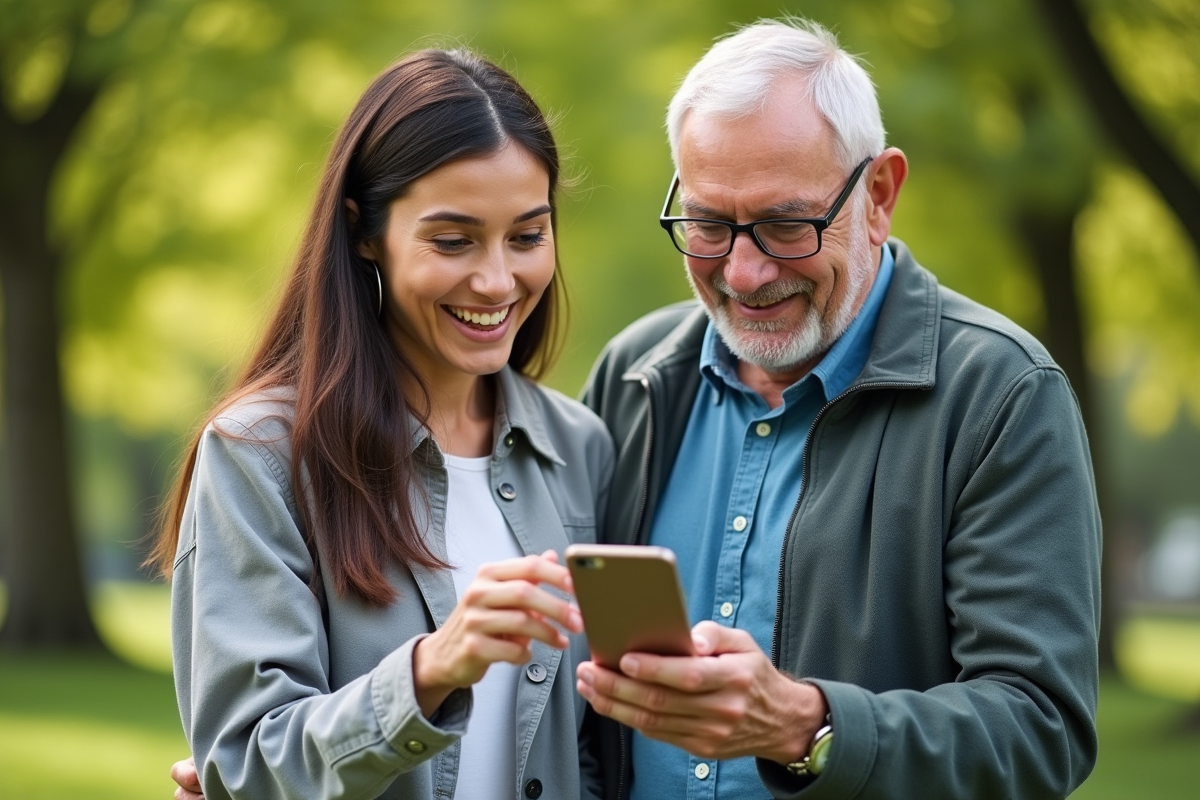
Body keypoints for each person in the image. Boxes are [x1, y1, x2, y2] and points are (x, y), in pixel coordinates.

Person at [574, 17, 1100, 800]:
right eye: (710, 226)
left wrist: (804, 727)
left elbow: (1038, 729)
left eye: (787, 226)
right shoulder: (634, 374)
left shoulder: (1002, 394)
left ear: (879, 194)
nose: (745, 274)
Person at [153, 48, 612, 800]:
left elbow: (593, 751)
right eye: (453, 240)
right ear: (364, 231)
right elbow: (246, 760)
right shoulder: (259, 454)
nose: (497, 280)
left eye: (527, 236)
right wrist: (432, 670)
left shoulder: (579, 448)